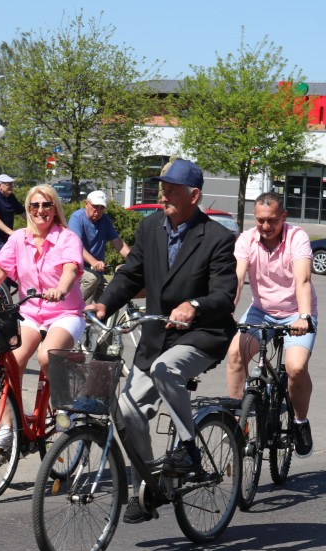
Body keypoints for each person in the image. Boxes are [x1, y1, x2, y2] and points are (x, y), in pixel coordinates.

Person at [84, 159, 236, 524]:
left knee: (166, 370)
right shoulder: (150, 227)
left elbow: (225, 293)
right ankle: (148, 486)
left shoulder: (217, 237)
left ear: (194, 195)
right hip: (156, 335)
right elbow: (131, 272)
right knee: (124, 409)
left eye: (171, 189)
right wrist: (105, 303)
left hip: (202, 334)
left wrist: (194, 305)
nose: (162, 194)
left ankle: (188, 447)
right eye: (161, 187)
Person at [0, 184, 86, 448]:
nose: (40, 210)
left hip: (65, 312)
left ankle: (63, 406)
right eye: (34, 206)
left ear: (55, 208)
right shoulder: (18, 239)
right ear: (27, 210)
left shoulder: (67, 238)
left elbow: (70, 270)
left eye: (46, 204)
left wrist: (61, 288)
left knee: (47, 356)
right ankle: (8, 427)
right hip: (30, 314)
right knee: (11, 360)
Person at [226, 191, 317, 458]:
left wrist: (303, 316)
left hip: (295, 312)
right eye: (260, 221)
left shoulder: (297, 237)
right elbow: (237, 277)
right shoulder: (247, 239)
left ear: (283, 217)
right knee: (235, 355)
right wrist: (227, 311)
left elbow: (303, 280)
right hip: (261, 311)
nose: (265, 227)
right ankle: (237, 423)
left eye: (272, 221)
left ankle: (300, 422)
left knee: (296, 367)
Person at [67, 190, 130, 303]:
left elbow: (117, 242)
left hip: (97, 274)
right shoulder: (77, 218)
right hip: (78, 270)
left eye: (102, 207)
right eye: (95, 206)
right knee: (92, 279)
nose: (99, 210)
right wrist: (94, 262)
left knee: (114, 300)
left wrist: (133, 259)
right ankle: (71, 308)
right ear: (86, 203)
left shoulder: (105, 219)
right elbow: (77, 246)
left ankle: (97, 319)